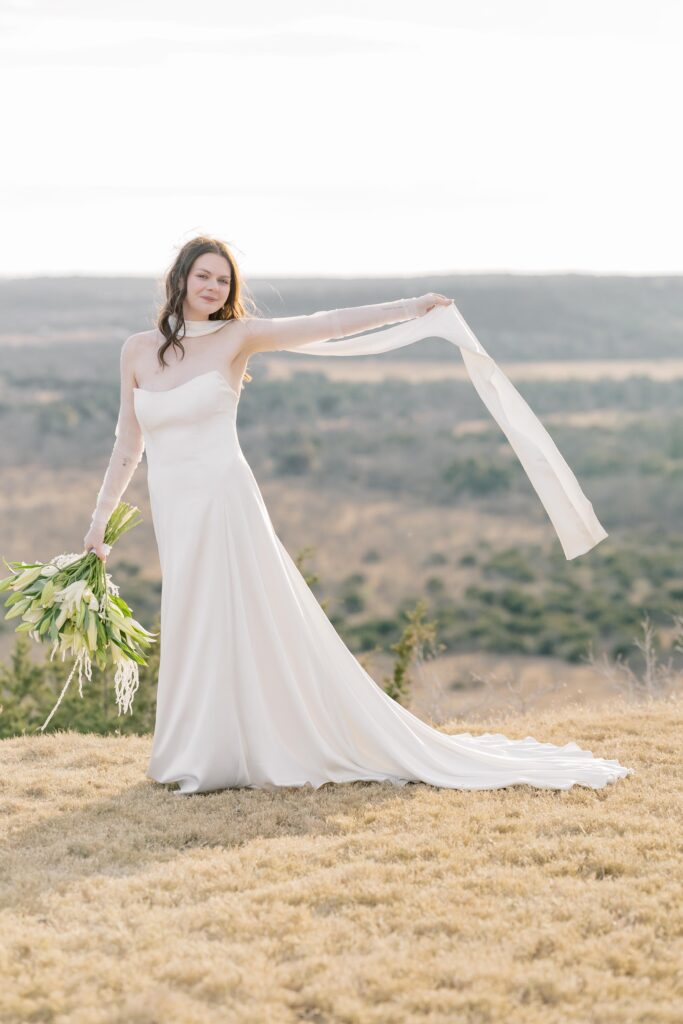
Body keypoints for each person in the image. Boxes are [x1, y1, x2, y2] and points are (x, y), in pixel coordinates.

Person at [83, 235, 634, 794]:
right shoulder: (136, 350)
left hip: (226, 501)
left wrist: (408, 307)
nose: (214, 287)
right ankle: (195, 750)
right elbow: (129, 445)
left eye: (223, 280)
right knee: (192, 615)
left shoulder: (238, 337)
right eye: (204, 276)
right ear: (180, 278)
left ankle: (240, 751)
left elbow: (329, 322)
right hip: (174, 507)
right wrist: (100, 521)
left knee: (240, 614)